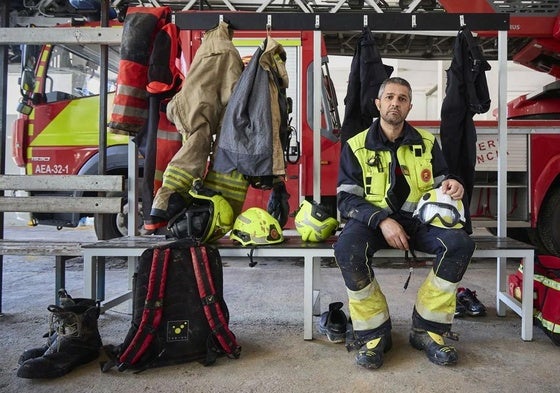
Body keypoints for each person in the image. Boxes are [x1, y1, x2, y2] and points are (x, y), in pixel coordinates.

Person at [334, 77, 475, 370]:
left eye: (402, 98)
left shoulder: (426, 142)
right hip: (373, 221)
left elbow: (442, 180)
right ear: (378, 104)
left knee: (458, 243)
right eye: (389, 97)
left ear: (409, 106)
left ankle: (428, 330)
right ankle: (374, 335)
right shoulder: (355, 145)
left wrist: (453, 183)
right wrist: (382, 219)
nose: (394, 103)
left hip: (418, 222)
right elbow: (346, 201)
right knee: (348, 249)